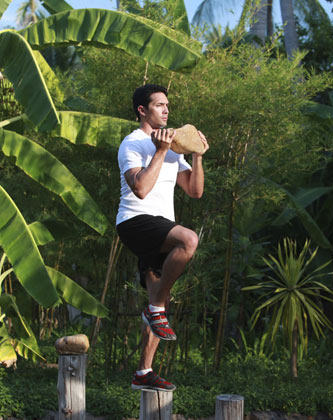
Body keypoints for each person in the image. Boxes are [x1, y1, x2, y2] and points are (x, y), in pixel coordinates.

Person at [116, 84, 208, 391]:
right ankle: (153, 308)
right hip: (135, 222)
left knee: (161, 300)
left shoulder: (172, 149)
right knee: (189, 240)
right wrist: (161, 150)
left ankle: (144, 372)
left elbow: (194, 191)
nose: (167, 110)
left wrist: (196, 155)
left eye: (168, 105)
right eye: (159, 105)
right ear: (143, 110)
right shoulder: (133, 143)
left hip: (160, 228)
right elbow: (140, 189)